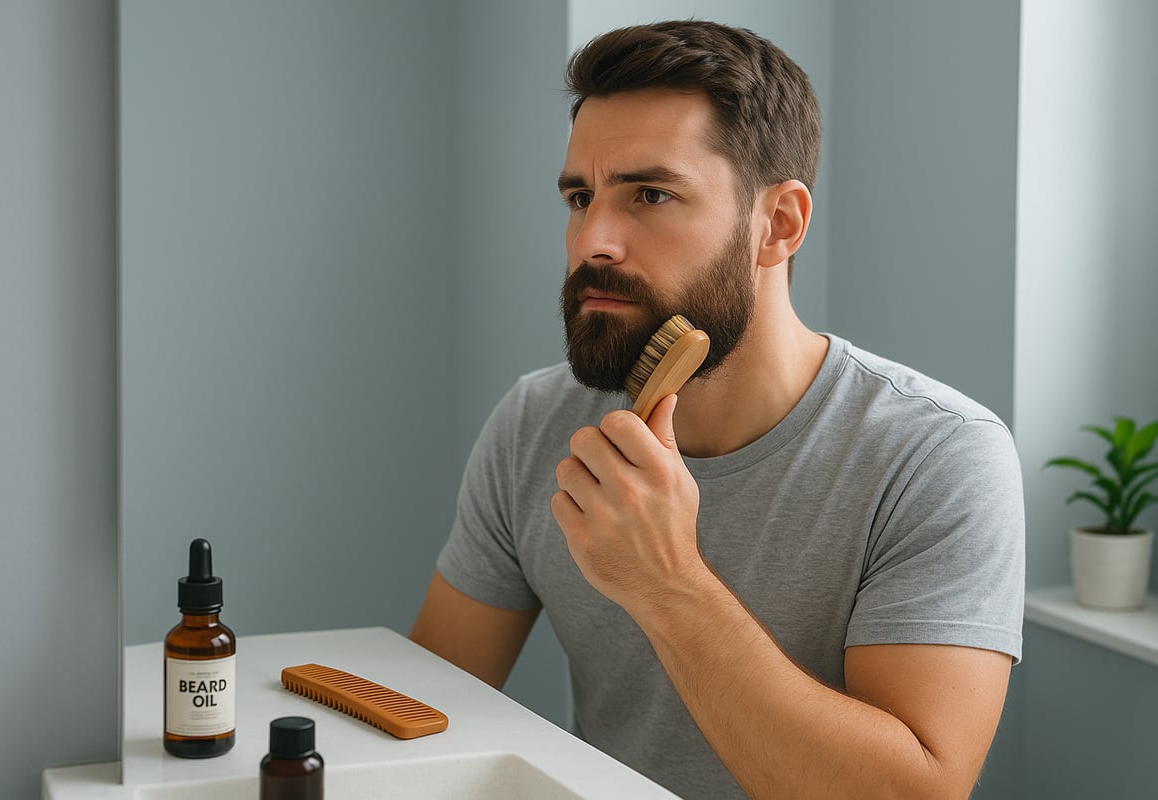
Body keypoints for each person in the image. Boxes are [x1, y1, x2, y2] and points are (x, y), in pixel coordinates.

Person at [410, 19, 1024, 800]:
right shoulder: (537, 422)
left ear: (778, 226)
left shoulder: (937, 456)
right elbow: (425, 708)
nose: (593, 239)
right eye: (580, 197)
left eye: (652, 194)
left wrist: (668, 584)